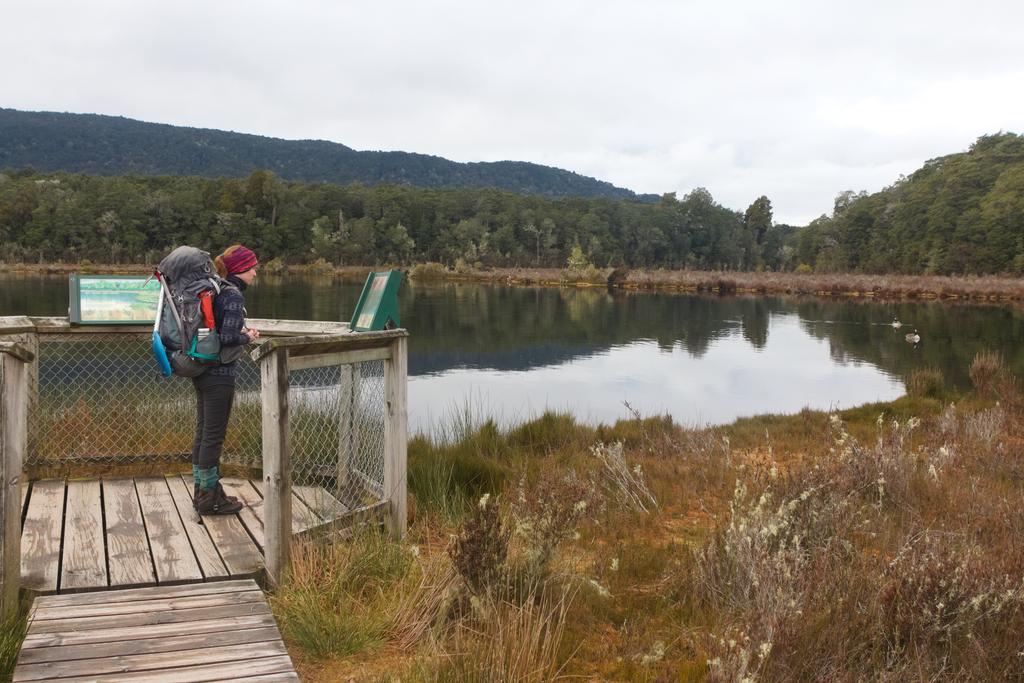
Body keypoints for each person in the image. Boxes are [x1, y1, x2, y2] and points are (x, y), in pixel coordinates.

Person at [192, 244, 261, 515]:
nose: (255, 273)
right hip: (220, 375)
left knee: (203, 434)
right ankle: (209, 500)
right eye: (252, 267)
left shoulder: (215, 289)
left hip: (202, 370)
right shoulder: (232, 296)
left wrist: (237, 332)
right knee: (212, 438)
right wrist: (249, 336)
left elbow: (212, 331)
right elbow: (229, 338)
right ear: (241, 269)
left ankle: (203, 493)